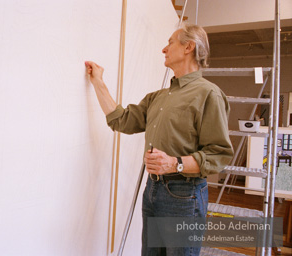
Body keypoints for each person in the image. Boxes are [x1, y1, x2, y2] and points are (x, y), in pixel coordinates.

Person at [85, 23, 233, 256]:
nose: (164, 49)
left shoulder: (209, 94)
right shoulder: (159, 97)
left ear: (188, 47)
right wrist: (98, 82)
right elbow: (122, 120)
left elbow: (219, 154)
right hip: (153, 189)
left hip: (185, 196)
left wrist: (175, 163)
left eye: (170, 42)